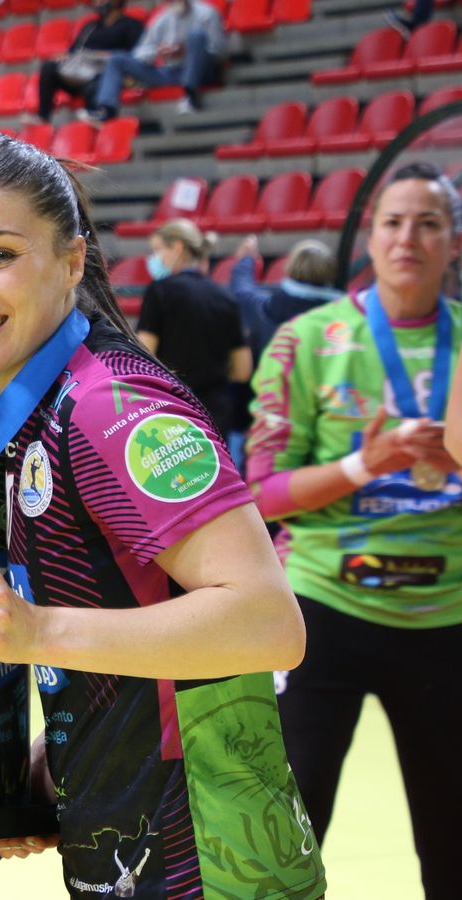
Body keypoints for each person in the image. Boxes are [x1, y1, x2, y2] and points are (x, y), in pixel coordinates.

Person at [0, 134, 326, 898]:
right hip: (137, 840)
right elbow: (139, 618)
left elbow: (269, 622)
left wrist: (33, 631)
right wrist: (62, 754)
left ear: (72, 262)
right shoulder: (39, 403)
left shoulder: (110, 406)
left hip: (210, 863)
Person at [247, 161, 462, 898]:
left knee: (454, 846)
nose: (409, 237)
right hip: (321, 615)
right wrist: (362, 466)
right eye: (394, 221)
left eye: (429, 222)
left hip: (448, 619)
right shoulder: (306, 342)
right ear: (369, 237)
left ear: (453, 242)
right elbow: (260, 494)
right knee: (288, 841)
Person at [135, 217, 251, 438]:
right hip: (215, 415)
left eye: (158, 250)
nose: (154, 259)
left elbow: (144, 356)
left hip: (171, 410)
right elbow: (243, 370)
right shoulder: (226, 298)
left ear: (177, 247)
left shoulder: (160, 291)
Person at [87, 0, 225, 119]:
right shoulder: (162, 18)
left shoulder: (207, 13)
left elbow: (218, 51)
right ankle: (107, 109)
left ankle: (190, 96)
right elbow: (140, 53)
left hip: (200, 71)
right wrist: (157, 52)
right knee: (117, 59)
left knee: (197, 36)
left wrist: (188, 51)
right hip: (171, 71)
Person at [24, 0, 146, 125]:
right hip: (81, 74)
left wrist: (109, 55)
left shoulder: (132, 25)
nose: (98, 3)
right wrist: (64, 57)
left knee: (93, 87)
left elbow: (139, 56)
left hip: (106, 75)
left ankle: (98, 120)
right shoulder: (90, 27)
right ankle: (43, 117)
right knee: (48, 67)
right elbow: (74, 52)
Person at [227, 235, 341, 366]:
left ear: (291, 268)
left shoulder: (270, 308)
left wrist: (245, 260)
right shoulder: (345, 311)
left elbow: (242, 293)